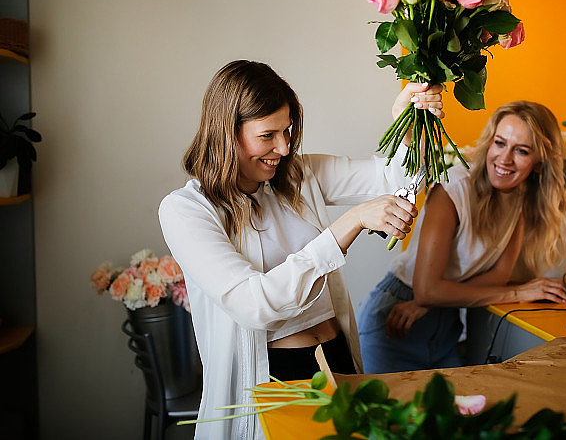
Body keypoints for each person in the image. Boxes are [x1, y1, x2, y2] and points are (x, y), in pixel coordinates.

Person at [158, 60, 443, 439]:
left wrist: (409, 120)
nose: (284, 147)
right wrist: (349, 223)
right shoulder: (186, 210)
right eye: (268, 135)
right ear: (227, 133)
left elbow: (394, 178)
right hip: (274, 376)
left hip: (336, 361)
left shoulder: (298, 175)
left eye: (288, 131)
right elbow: (253, 304)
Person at [356, 100, 566, 374]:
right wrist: (522, 291)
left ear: (540, 161)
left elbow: (498, 277)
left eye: (521, 150)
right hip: (395, 320)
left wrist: (428, 303)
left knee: (462, 413)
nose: (504, 159)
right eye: (499, 143)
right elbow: (427, 289)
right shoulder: (453, 187)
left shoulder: (522, 196)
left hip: (444, 322)